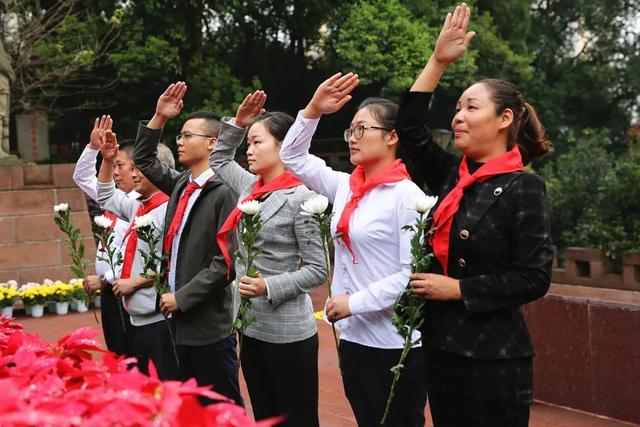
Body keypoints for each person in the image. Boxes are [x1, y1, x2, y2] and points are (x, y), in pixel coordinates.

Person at [402, 4, 553, 426]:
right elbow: (411, 129)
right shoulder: (453, 173)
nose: (458, 117)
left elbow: (535, 277)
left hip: (494, 358)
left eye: (471, 108)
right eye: (457, 109)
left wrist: (459, 290)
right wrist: (438, 61)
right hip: (441, 345)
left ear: (504, 119)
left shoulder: (525, 188)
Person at [279, 75, 427, 425]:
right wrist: (314, 110)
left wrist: (353, 303)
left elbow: (411, 275)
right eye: (350, 130)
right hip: (353, 336)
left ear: (392, 137)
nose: (353, 138)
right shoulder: (346, 186)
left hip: (394, 342)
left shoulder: (408, 197)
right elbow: (292, 156)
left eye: (362, 129)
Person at [211, 91, 325, 426]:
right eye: (248, 143)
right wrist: (239, 123)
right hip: (250, 326)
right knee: (265, 414)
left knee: (297, 417)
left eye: (257, 142)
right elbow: (219, 161)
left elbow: (319, 269)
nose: (249, 149)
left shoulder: (303, 196)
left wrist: (268, 286)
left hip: (288, 331)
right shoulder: (251, 187)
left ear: (283, 146)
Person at [134, 82, 242, 405]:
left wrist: (181, 298)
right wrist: (158, 117)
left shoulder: (222, 193)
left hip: (208, 327)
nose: (180, 141)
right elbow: (144, 158)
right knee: (187, 409)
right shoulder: (182, 184)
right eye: (179, 135)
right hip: (178, 324)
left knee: (221, 408)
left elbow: (224, 265)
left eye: (187, 136)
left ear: (212, 143)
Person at [96, 126, 181, 380]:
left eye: (136, 168)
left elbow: (176, 261)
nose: (131, 175)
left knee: (166, 385)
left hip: (160, 318)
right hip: (138, 317)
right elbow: (104, 194)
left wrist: (137, 280)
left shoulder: (170, 209)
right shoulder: (140, 206)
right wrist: (108, 160)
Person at [74, 115, 135, 357]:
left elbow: (137, 252)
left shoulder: (142, 204)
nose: (115, 172)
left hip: (128, 289)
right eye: (114, 165)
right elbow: (81, 177)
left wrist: (105, 278)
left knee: (132, 355)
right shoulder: (112, 196)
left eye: (121, 166)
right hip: (109, 291)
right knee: (116, 354)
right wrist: (92, 148)